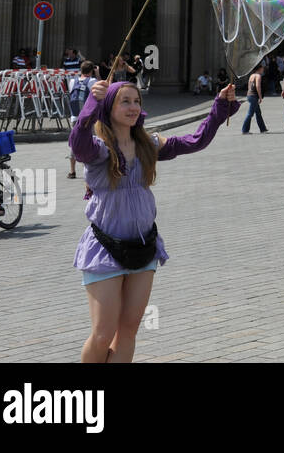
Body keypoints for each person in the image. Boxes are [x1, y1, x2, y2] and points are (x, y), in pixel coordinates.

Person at [70, 78, 239, 362]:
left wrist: (220, 108)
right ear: (109, 106)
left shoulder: (148, 144)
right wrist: (90, 105)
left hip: (143, 246)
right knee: (102, 334)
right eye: (125, 101)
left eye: (137, 101)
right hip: (105, 248)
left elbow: (194, 142)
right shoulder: (99, 149)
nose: (133, 107)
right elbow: (78, 146)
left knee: (128, 331)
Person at [67, 60, 98, 177]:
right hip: (88, 117)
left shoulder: (72, 81)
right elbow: (101, 91)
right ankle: (90, 168)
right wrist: (98, 74)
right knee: (91, 141)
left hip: (75, 117)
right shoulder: (92, 81)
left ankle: (72, 171)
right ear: (91, 71)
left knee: (75, 141)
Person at [241, 62, 268, 134]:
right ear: (259, 69)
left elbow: (249, 86)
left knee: (258, 113)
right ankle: (245, 130)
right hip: (254, 96)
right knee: (250, 113)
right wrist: (260, 97)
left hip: (250, 95)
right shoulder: (258, 76)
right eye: (262, 68)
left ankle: (263, 129)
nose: (263, 70)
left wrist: (248, 94)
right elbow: (258, 86)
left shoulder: (252, 75)